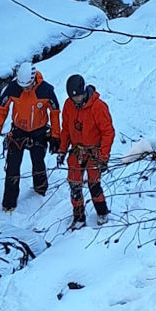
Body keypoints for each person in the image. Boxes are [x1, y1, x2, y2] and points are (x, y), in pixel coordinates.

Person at [0, 61, 62, 212]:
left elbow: (54, 114)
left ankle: (40, 192)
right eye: (23, 87)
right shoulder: (13, 88)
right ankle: (8, 204)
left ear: (34, 79)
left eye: (28, 86)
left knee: (38, 163)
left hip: (39, 132)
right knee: (12, 168)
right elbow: (2, 110)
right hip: (18, 131)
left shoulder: (46, 90)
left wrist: (56, 136)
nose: (26, 89)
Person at [57, 73, 115, 230]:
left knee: (93, 184)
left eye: (78, 96)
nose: (76, 100)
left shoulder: (98, 107)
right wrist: (62, 150)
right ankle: (79, 217)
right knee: (74, 184)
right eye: (72, 97)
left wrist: (104, 157)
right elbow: (66, 130)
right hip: (77, 150)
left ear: (84, 91)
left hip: (94, 152)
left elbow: (108, 132)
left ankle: (102, 211)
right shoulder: (68, 105)